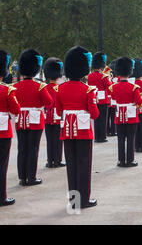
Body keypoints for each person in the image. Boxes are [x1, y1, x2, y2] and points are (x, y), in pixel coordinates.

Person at [55, 46, 99, 209]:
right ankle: (84, 200)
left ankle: (73, 201)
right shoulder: (88, 90)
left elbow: (59, 111)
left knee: (71, 166)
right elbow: (94, 114)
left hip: (66, 131)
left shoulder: (60, 88)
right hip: (83, 131)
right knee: (84, 165)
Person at [15, 49, 52, 186]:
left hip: (20, 119)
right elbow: (48, 102)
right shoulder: (40, 86)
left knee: (22, 148)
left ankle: (22, 177)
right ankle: (31, 177)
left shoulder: (15, 86)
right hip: (35, 119)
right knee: (33, 148)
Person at [110, 57, 142, 167]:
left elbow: (112, 101)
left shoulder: (113, 87)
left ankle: (121, 160)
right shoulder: (134, 87)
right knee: (130, 138)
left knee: (120, 139)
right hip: (131, 116)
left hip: (119, 115)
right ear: (130, 72)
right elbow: (140, 101)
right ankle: (130, 160)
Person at [0, 50, 21, 207]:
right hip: (3, 132)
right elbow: (15, 110)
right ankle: (1, 197)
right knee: (2, 165)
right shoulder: (7, 90)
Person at [43, 57, 65, 168]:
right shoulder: (60, 88)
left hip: (46, 117)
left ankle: (50, 160)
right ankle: (57, 160)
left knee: (49, 140)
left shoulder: (44, 88)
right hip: (57, 118)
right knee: (57, 140)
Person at [87, 52, 112, 143]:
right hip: (103, 99)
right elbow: (110, 88)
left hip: (94, 98)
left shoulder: (89, 76)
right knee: (103, 119)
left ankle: (97, 136)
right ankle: (102, 136)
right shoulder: (103, 76)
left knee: (96, 118)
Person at [106, 60, 118, 137]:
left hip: (110, 100)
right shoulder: (112, 81)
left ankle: (111, 130)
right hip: (110, 100)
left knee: (111, 116)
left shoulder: (114, 81)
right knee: (111, 116)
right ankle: (110, 131)